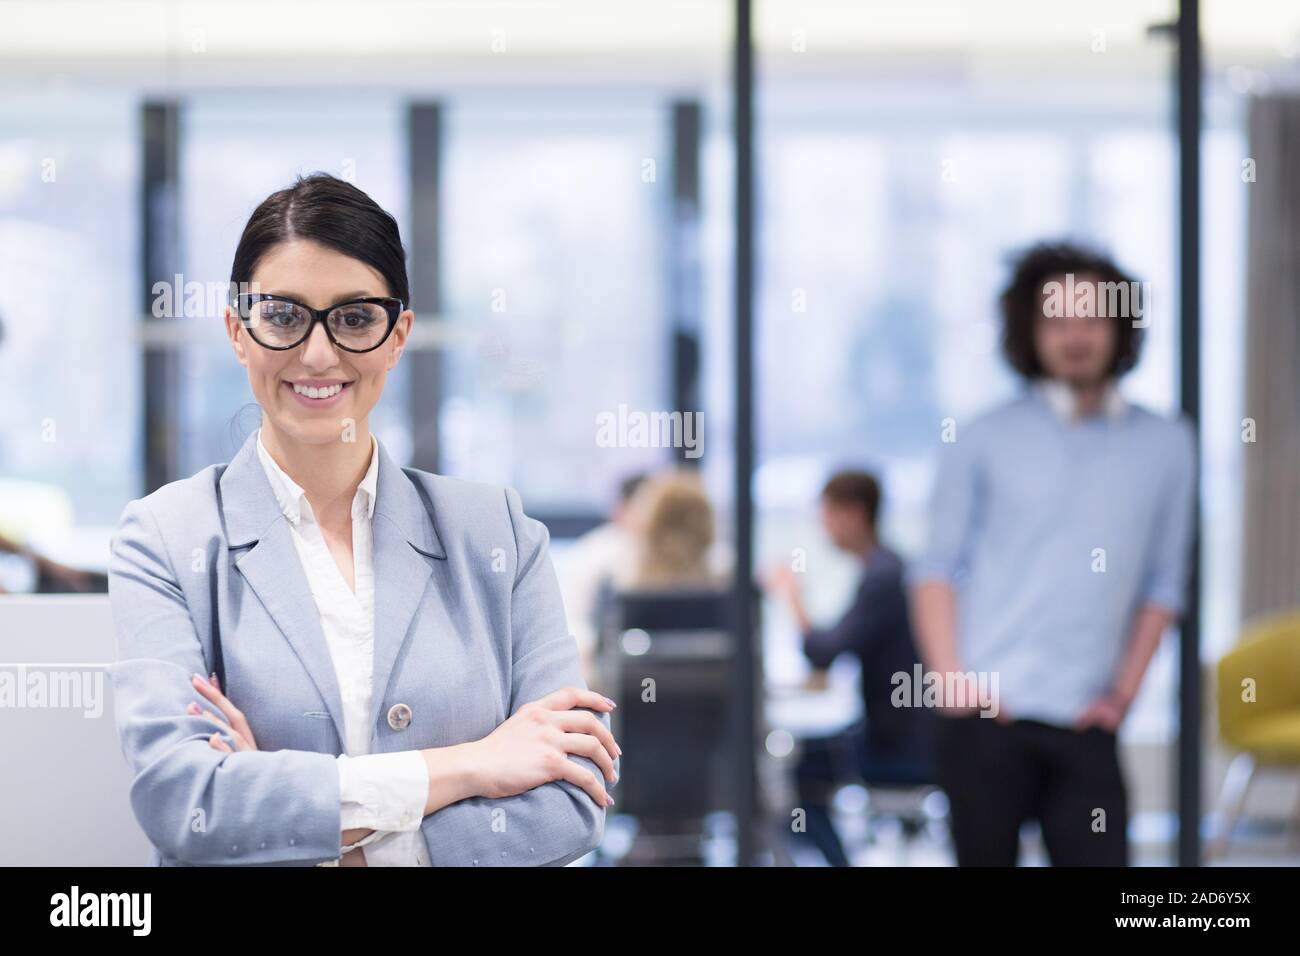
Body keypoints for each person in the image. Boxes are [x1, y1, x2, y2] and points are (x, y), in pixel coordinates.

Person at [106, 173, 620, 867]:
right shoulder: (165, 539)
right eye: (284, 316)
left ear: (398, 335)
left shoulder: (496, 532)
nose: (319, 354)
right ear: (238, 330)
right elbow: (186, 803)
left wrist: (328, 841)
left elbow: (571, 798)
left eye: (354, 317)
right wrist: (473, 764)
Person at [909, 241, 1195, 866]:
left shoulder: (1168, 446)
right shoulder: (982, 437)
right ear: (1029, 333)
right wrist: (952, 679)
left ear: (1119, 328)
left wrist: (1122, 695)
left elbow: (1164, 586)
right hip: (988, 717)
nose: (1075, 337)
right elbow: (935, 568)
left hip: (1087, 719)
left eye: (1092, 319)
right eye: (1057, 322)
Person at [765, 470, 934, 866]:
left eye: (827, 514)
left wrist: (792, 598)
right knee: (807, 766)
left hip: (898, 745)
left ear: (853, 514)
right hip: (908, 734)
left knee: (802, 777)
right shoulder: (890, 569)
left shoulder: (882, 577)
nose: (822, 527)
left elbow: (824, 652)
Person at [557, 472, 646, 684]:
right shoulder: (597, 553)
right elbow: (572, 619)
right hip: (609, 670)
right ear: (621, 510)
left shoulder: (693, 554)